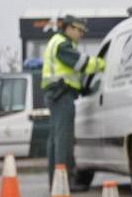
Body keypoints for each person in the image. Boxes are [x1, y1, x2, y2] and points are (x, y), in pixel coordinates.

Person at [42, 14, 105, 190]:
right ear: (69, 28)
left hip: (58, 94)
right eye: (79, 30)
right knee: (63, 141)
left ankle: (57, 182)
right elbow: (82, 64)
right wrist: (102, 63)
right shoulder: (63, 45)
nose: (81, 34)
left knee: (56, 140)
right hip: (61, 95)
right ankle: (65, 183)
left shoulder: (57, 42)